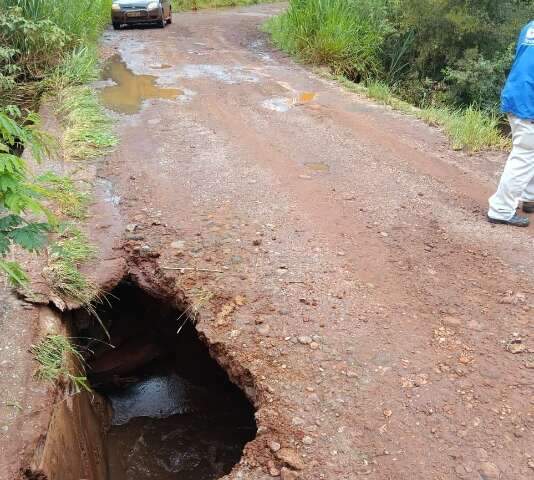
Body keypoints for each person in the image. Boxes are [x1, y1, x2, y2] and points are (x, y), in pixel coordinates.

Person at [488, 20, 534, 227]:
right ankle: (501, 209)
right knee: (524, 155)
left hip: (517, 92)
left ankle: (529, 196)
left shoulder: (530, 26)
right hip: (529, 100)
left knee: (529, 151)